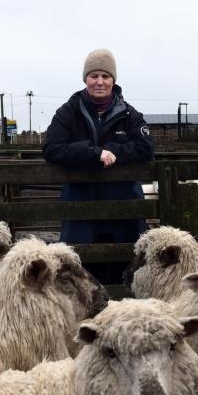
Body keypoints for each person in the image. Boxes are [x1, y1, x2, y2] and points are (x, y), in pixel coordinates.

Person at [43, 48, 154, 284]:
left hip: (122, 206)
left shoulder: (129, 114)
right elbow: (52, 147)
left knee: (127, 265)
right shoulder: (68, 112)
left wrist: (115, 150)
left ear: (113, 79)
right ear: (86, 79)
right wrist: (93, 153)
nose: (100, 82)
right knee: (78, 267)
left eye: (105, 76)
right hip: (80, 205)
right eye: (94, 76)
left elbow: (146, 147)